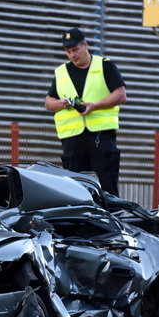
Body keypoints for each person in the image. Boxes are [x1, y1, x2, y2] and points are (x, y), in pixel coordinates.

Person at [44, 27, 127, 196]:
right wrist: (61, 103)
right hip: (72, 140)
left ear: (85, 45)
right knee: (75, 190)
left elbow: (120, 95)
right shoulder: (61, 72)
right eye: (68, 52)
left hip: (100, 137)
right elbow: (48, 102)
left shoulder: (105, 65)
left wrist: (95, 105)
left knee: (106, 188)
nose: (72, 55)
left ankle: (110, 220)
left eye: (75, 50)